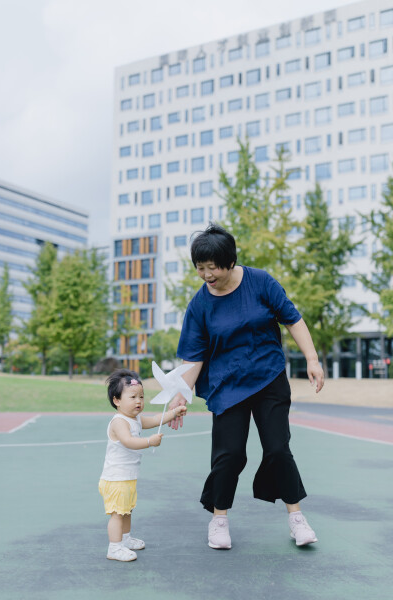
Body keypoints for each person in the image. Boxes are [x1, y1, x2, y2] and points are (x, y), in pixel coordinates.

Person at [169, 223, 324, 550]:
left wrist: (312, 359)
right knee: (229, 455)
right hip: (227, 385)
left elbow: (293, 319)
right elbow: (193, 358)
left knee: (278, 449)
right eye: (200, 268)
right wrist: (178, 396)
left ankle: (296, 518)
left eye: (213, 267)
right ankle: (219, 519)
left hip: (268, 377)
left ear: (229, 261)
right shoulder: (200, 305)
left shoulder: (261, 282)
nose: (207, 275)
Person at [99, 369, 187, 562]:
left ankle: (125, 539)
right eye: (132, 397)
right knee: (117, 514)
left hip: (127, 477)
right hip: (115, 478)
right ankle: (114, 547)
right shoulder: (119, 422)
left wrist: (173, 412)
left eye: (141, 396)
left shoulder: (135, 419)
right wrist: (149, 442)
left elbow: (155, 419)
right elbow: (128, 441)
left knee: (127, 510)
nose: (138, 401)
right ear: (117, 400)